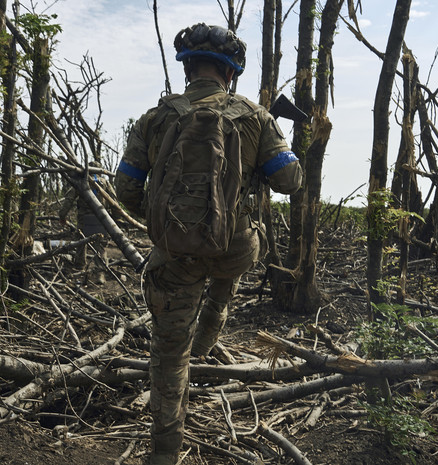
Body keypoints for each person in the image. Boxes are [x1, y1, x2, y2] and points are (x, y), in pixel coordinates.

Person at [114, 23, 303, 465]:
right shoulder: (256, 117)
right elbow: (290, 181)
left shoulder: (154, 119)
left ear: (187, 69)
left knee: (169, 359)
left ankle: (163, 456)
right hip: (234, 250)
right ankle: (213, 318)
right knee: (229, 262)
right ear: (231, 74)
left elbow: (125, 190)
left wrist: (167, 224)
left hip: (176, 257)